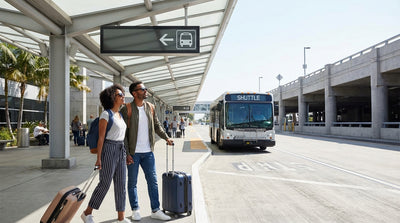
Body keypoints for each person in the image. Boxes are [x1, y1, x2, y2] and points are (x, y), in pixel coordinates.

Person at [120, 81, 173, 221]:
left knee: (153, 181)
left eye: (145, 89)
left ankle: (155, 210)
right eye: (143, 89)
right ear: (134, 93)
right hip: (133, 153)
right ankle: (135, 209)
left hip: (148, 152)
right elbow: (122, 133)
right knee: (132, 183)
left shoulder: (151, 107)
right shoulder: (126, 109)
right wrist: (126, 153)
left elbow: (157, 125)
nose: (146, 91)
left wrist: (167, 138)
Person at [81, 84, 131, 223]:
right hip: (108, 148)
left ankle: (121, 217)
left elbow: (122, 137)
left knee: (121, 184)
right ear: (112, 98)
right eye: (120, 95)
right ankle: (87, 213)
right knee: (105, 183)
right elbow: (102, 138)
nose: (123, 97)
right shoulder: (106, 114)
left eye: (122, 94)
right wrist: (99, 159)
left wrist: (126, 154)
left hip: (120, 149)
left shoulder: (119, 115)